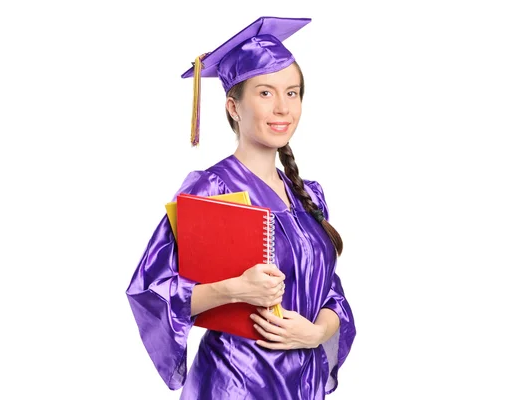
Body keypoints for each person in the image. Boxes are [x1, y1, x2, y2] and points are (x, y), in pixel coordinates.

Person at [125, 16, 356, 399]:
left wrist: (315, 333)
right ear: (233, 107)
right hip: (236, 384)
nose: (282, 107)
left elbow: (331, 294)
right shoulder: (211, 189)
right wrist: (235, 289)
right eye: (265, 93)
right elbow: (154, 291)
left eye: (293, 93)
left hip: (303, 384)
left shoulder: (309, 196)